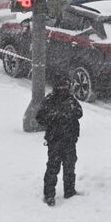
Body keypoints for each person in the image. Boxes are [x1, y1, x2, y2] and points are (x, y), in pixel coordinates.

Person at [35, 74, 83, 206]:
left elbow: (79, 113)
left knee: (69, 166)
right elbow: (40, 117)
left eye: (65, 85)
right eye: (61, 85)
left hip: (69, 139)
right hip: (55, 140)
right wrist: (56, 117)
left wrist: (68, 115)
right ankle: (49, 194)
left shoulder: (70, 99)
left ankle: (69, 190)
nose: (63, 88)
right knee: (53, 167)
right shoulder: (50, 100)